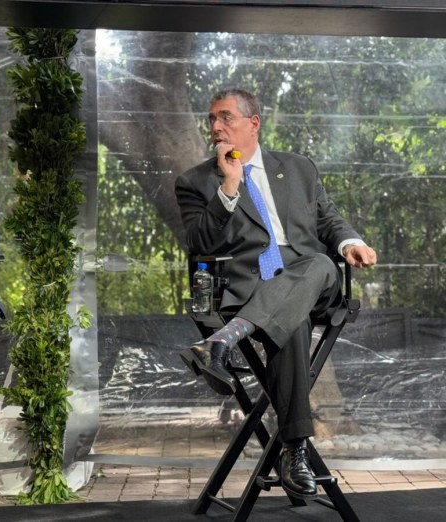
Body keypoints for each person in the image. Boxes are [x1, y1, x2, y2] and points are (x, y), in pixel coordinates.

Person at [175, 88, 376, 500]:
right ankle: (294, 450)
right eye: (211, 119)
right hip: (251, 288)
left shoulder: (298, 168)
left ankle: (223, 341)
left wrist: (349, 243)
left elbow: (328, 219)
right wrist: (228, 188)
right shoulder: (196, 181)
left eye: (225, 118)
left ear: (253, 123)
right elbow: (200, 243)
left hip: (311, 277)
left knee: (319, 263)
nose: (215, 127)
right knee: (292, 323)